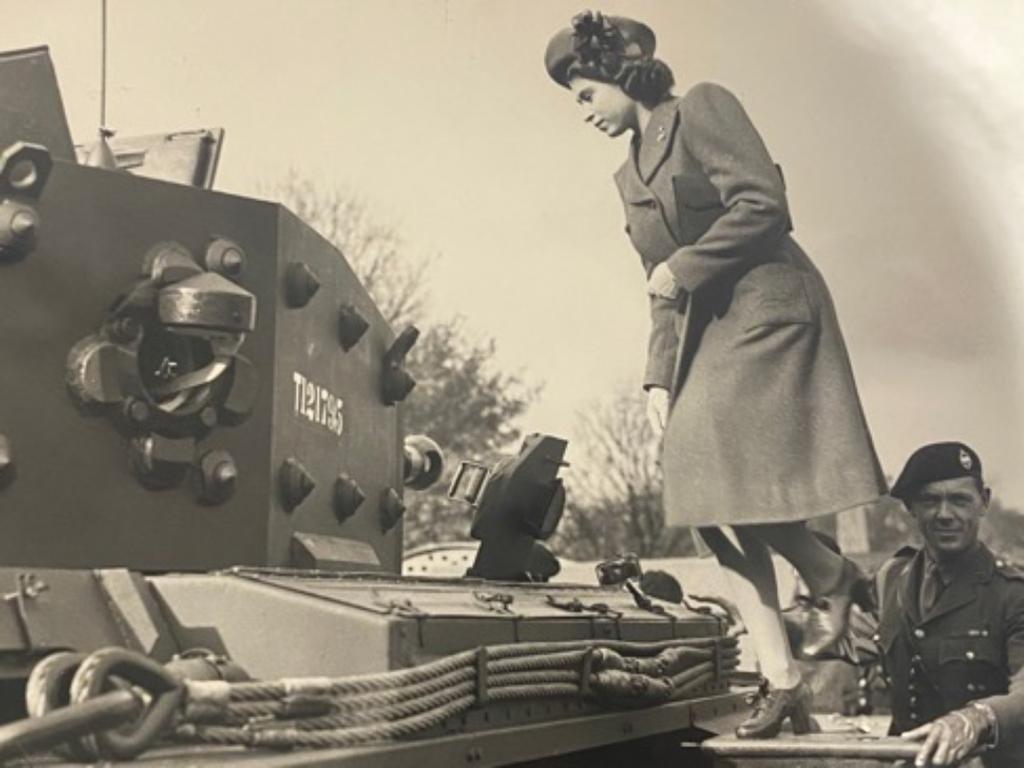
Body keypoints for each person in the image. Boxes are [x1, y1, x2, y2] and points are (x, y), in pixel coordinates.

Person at [544, 11, 886, 738]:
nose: (582, 112)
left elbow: (764, 205)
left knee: (710, 473)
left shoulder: (701, 107)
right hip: (706, 334)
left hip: (767, 307)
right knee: (703, 500)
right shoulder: (627, 175)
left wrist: (684, 265)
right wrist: (657, 382)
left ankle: (829, 580)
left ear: (620, 71)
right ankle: (783, 675)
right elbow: (658, 290)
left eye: (584, 93)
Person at [876, 442, 1024, 767]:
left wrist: (976, 719)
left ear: (982, 503)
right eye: (930, 501)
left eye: (959, 500)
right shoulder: (892, 578)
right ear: (911, 507)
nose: (945, 514)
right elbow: (857, 640)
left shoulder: (1013, 593)